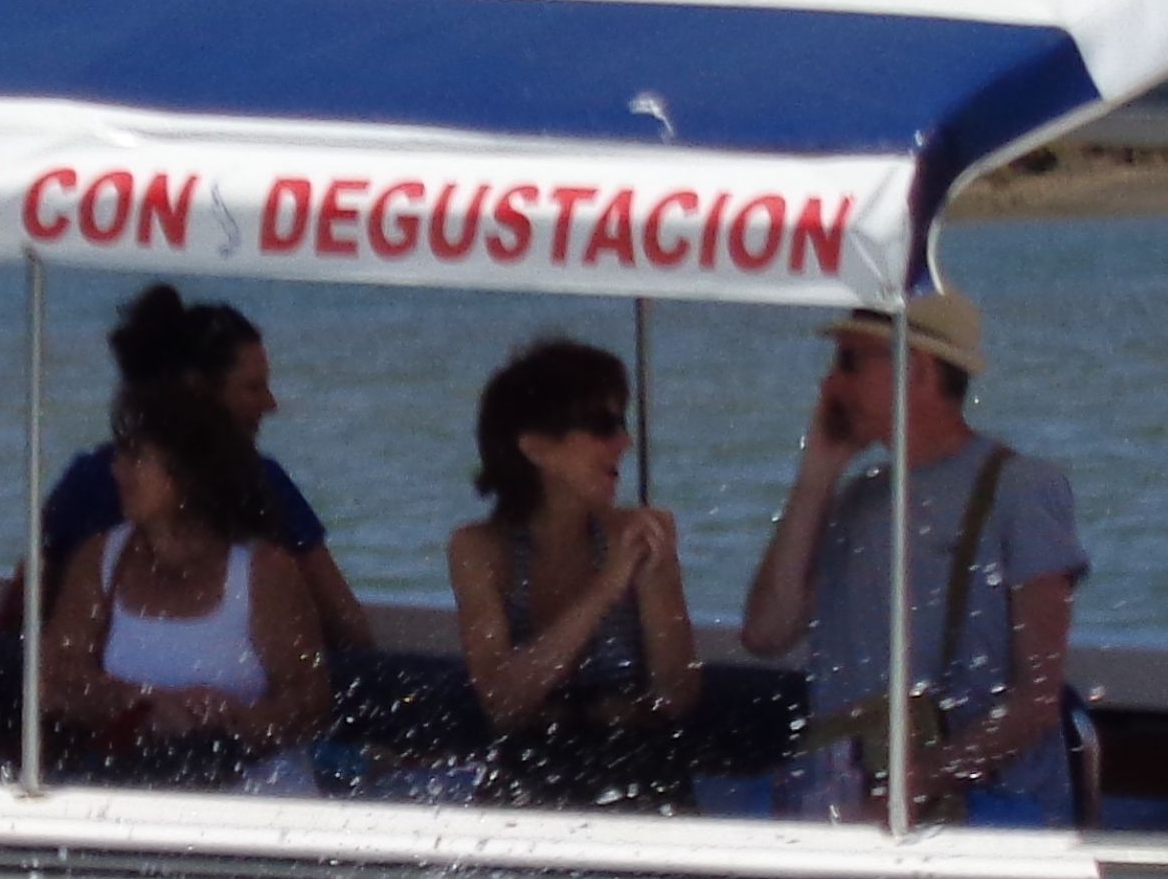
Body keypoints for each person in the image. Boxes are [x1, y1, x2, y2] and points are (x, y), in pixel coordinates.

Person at [734, 288, 1085, 825]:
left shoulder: (1021, 489)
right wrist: (817, 478)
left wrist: (910, 789)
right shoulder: (857, 497)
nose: (831, 385)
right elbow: (767, 632)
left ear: (916, 370)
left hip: (989, 815)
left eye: (849, 363)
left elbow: (1036, 697)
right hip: (859, 804)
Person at [36, 286, 378, 664]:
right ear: (197, 394)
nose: (271, 403)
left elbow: (16, 619)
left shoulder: (83, 480)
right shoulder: (263, 482)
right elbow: (349, 629)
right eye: (253, 388)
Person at [40, 380, 332, 787]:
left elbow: (310, 703)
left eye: (135, 457)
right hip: (130, 789)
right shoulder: (99, 560)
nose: (116, 470)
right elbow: (53, 683)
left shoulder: (265, 571)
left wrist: (233, 719)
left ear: (187, 476)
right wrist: (139, 702)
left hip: (255, 795)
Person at [447, 337, 700, 806]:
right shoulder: (479, 550)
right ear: (538, 448)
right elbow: (504, 704)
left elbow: (677, 697)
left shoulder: (644, 535)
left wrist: (655, 577)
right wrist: (607, 586)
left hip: (638, 775)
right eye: (602, 426)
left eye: (621, 424)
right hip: (529, 778)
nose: (623, 442)